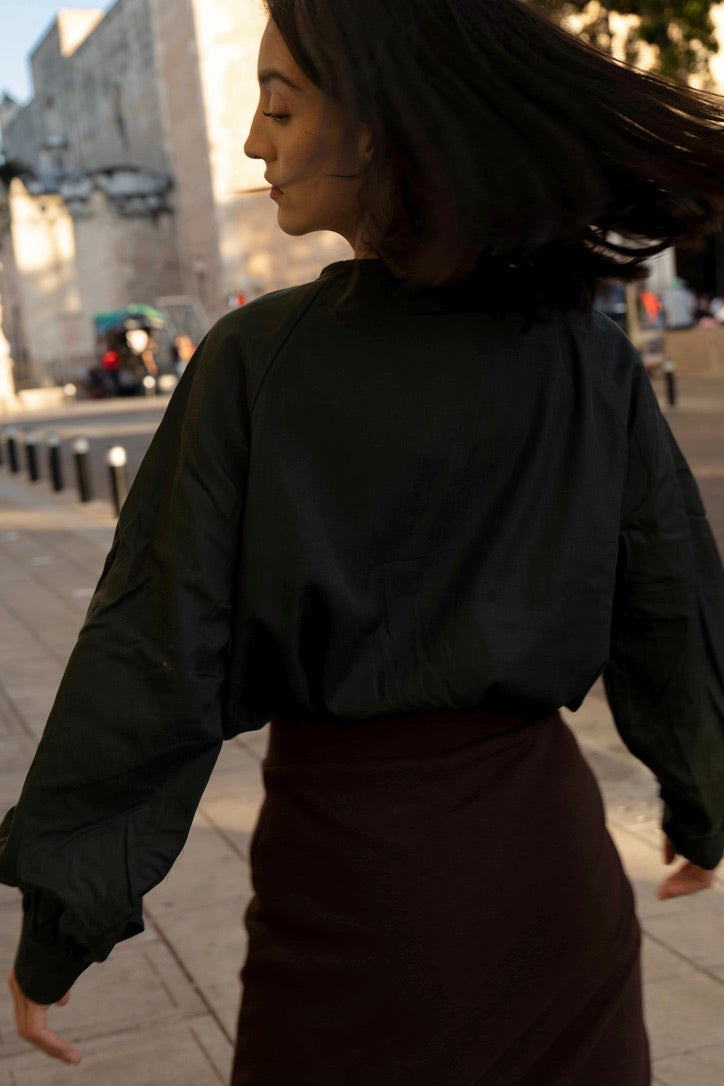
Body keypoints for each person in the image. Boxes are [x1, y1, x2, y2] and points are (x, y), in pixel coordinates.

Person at [2, 1, 724, 1082]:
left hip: (351, 892)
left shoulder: (256, 361)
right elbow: (671, 608)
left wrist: (65, 915)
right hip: (548, 880)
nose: (255, 141)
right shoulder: (587, 359)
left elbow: (155, 648)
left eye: (281, 107)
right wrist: (701, 804)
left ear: (379, 127)